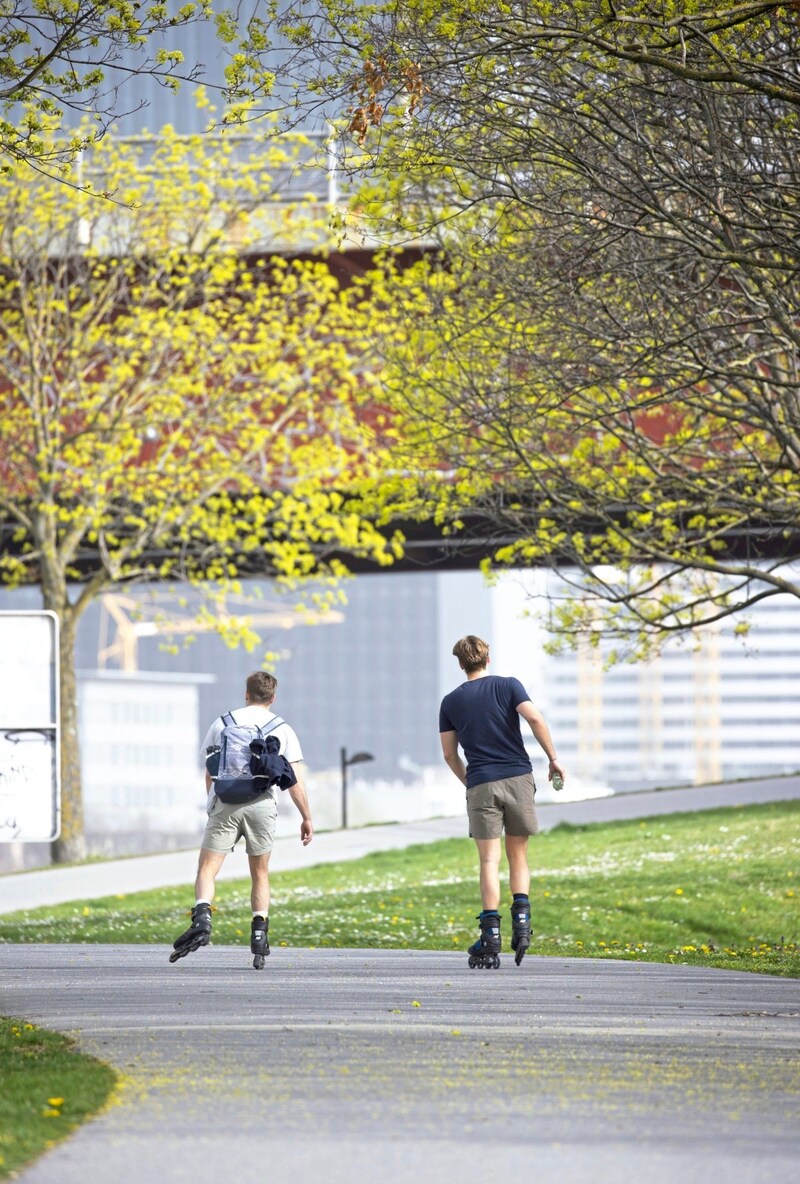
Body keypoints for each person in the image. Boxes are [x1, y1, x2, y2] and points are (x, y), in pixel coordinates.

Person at [170, 670, 313, 969]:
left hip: (226, 803)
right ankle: (259, 932)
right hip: (262, 804)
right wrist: (306, 817)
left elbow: (211, 769)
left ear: (246, 694)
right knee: (260, 872)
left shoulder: (223, 723)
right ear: (272, 697)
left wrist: (215, 803)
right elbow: (295, 779)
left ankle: (202, 917)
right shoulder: (281, 728)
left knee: (208, 868)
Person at [439, 635, 565, 969]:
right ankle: (522, 924)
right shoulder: (509, 686)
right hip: (518, 778)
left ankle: (490, 934)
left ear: (460, 663)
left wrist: (471, 782)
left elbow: (449, 754)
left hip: (481, 783)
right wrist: (553, 758)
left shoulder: (450, 702)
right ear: (487, 658)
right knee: (518, 855)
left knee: (488, 862)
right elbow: (535, 719)